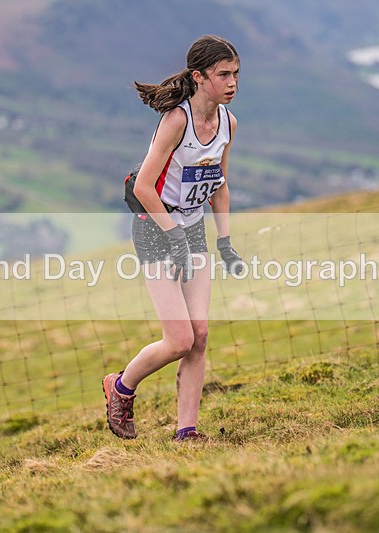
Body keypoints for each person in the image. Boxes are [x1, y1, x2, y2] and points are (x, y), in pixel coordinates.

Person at [103, 35, 245, 441]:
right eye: (223, 75)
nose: (233, 82)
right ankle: (121, 386)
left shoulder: (228, 123)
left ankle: (187, 432)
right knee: (179, 338)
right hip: (155, 227)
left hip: (192, 231)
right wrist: (175, 237)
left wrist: (225, 241)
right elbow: (146, 188)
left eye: (236, 74)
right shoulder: (175, 122)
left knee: (199, 335)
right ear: (200, 77)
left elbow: (219, 185)